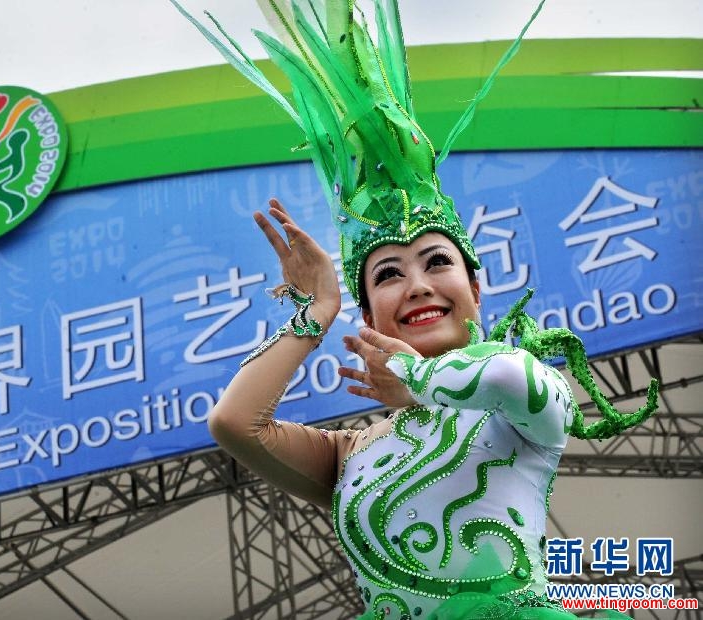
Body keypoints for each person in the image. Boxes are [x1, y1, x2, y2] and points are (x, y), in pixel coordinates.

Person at [175, 2, 658, 617]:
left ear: (475, 291)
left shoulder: (522, 400)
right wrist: (318, 309)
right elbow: (234, 424)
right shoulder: (352, 451)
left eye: (437, 262)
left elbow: (511, 377)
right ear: (371, 317)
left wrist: (419, 379)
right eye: (389, 275)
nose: (418, 285)